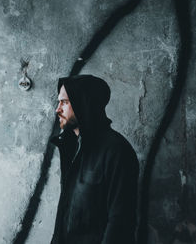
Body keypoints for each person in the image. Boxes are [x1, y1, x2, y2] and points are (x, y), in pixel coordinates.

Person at [50, 74, 139, 244]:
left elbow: (120, 223)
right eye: (59, 102)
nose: (58, 109)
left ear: (84, 104)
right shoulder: (71, 147)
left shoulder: (117, 151)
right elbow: (65, 212)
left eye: (65, 102)